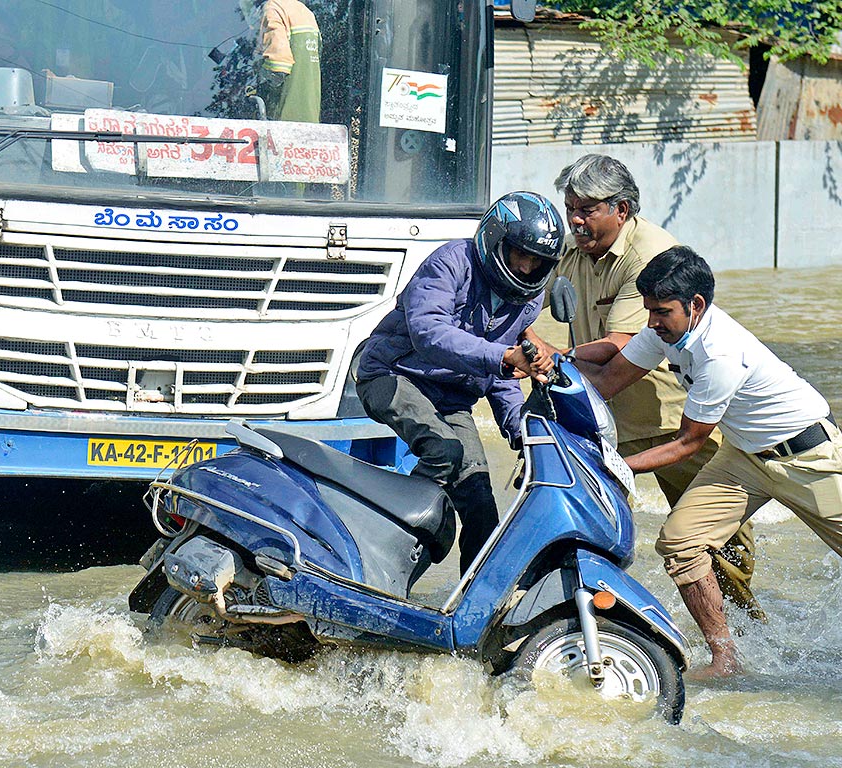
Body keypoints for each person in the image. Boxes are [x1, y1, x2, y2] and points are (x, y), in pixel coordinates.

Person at [579, 246, 842, 677]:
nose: (652, 323)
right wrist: (550, 362)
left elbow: (687, 443)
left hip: (807, 455)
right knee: (680, 544)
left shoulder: (722, 353)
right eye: (649, 311)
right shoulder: (666, 331)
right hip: (744, 457)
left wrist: (611, 465)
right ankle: (726, 660)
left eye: (661, 312)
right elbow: (608, 381)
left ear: (695, 306)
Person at [524, 154, 762, 621]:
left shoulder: (651, 255)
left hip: (673, 421)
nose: (575, 218)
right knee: (582, 529)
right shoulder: (572, 248)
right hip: (600, 414)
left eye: (587, 209)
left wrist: (550, 356)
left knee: (722, 549)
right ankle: (593, 624)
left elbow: (619, 347)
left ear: (623, 209)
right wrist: (524, 340)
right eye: (570, 206)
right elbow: (523, 300)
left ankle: (745, 634)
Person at [356, 191, 562, 575]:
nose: (527, 267)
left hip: (452, 401)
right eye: (521, 254)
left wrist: (523, 432)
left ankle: (476, 607)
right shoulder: (450, 262)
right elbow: (428, 331)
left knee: (482, 509)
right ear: (496, 240)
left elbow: (501, 378)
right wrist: (503, 358)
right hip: (393, 375)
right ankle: (376, 551)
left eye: (538, 262)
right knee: (445, 453)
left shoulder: (527, 302)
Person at [248, 0, 321, 122]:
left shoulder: (273, 9)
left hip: (285, 122)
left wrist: (255, 79)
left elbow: (278, 68)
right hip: (310, 120)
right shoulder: (306, 12)